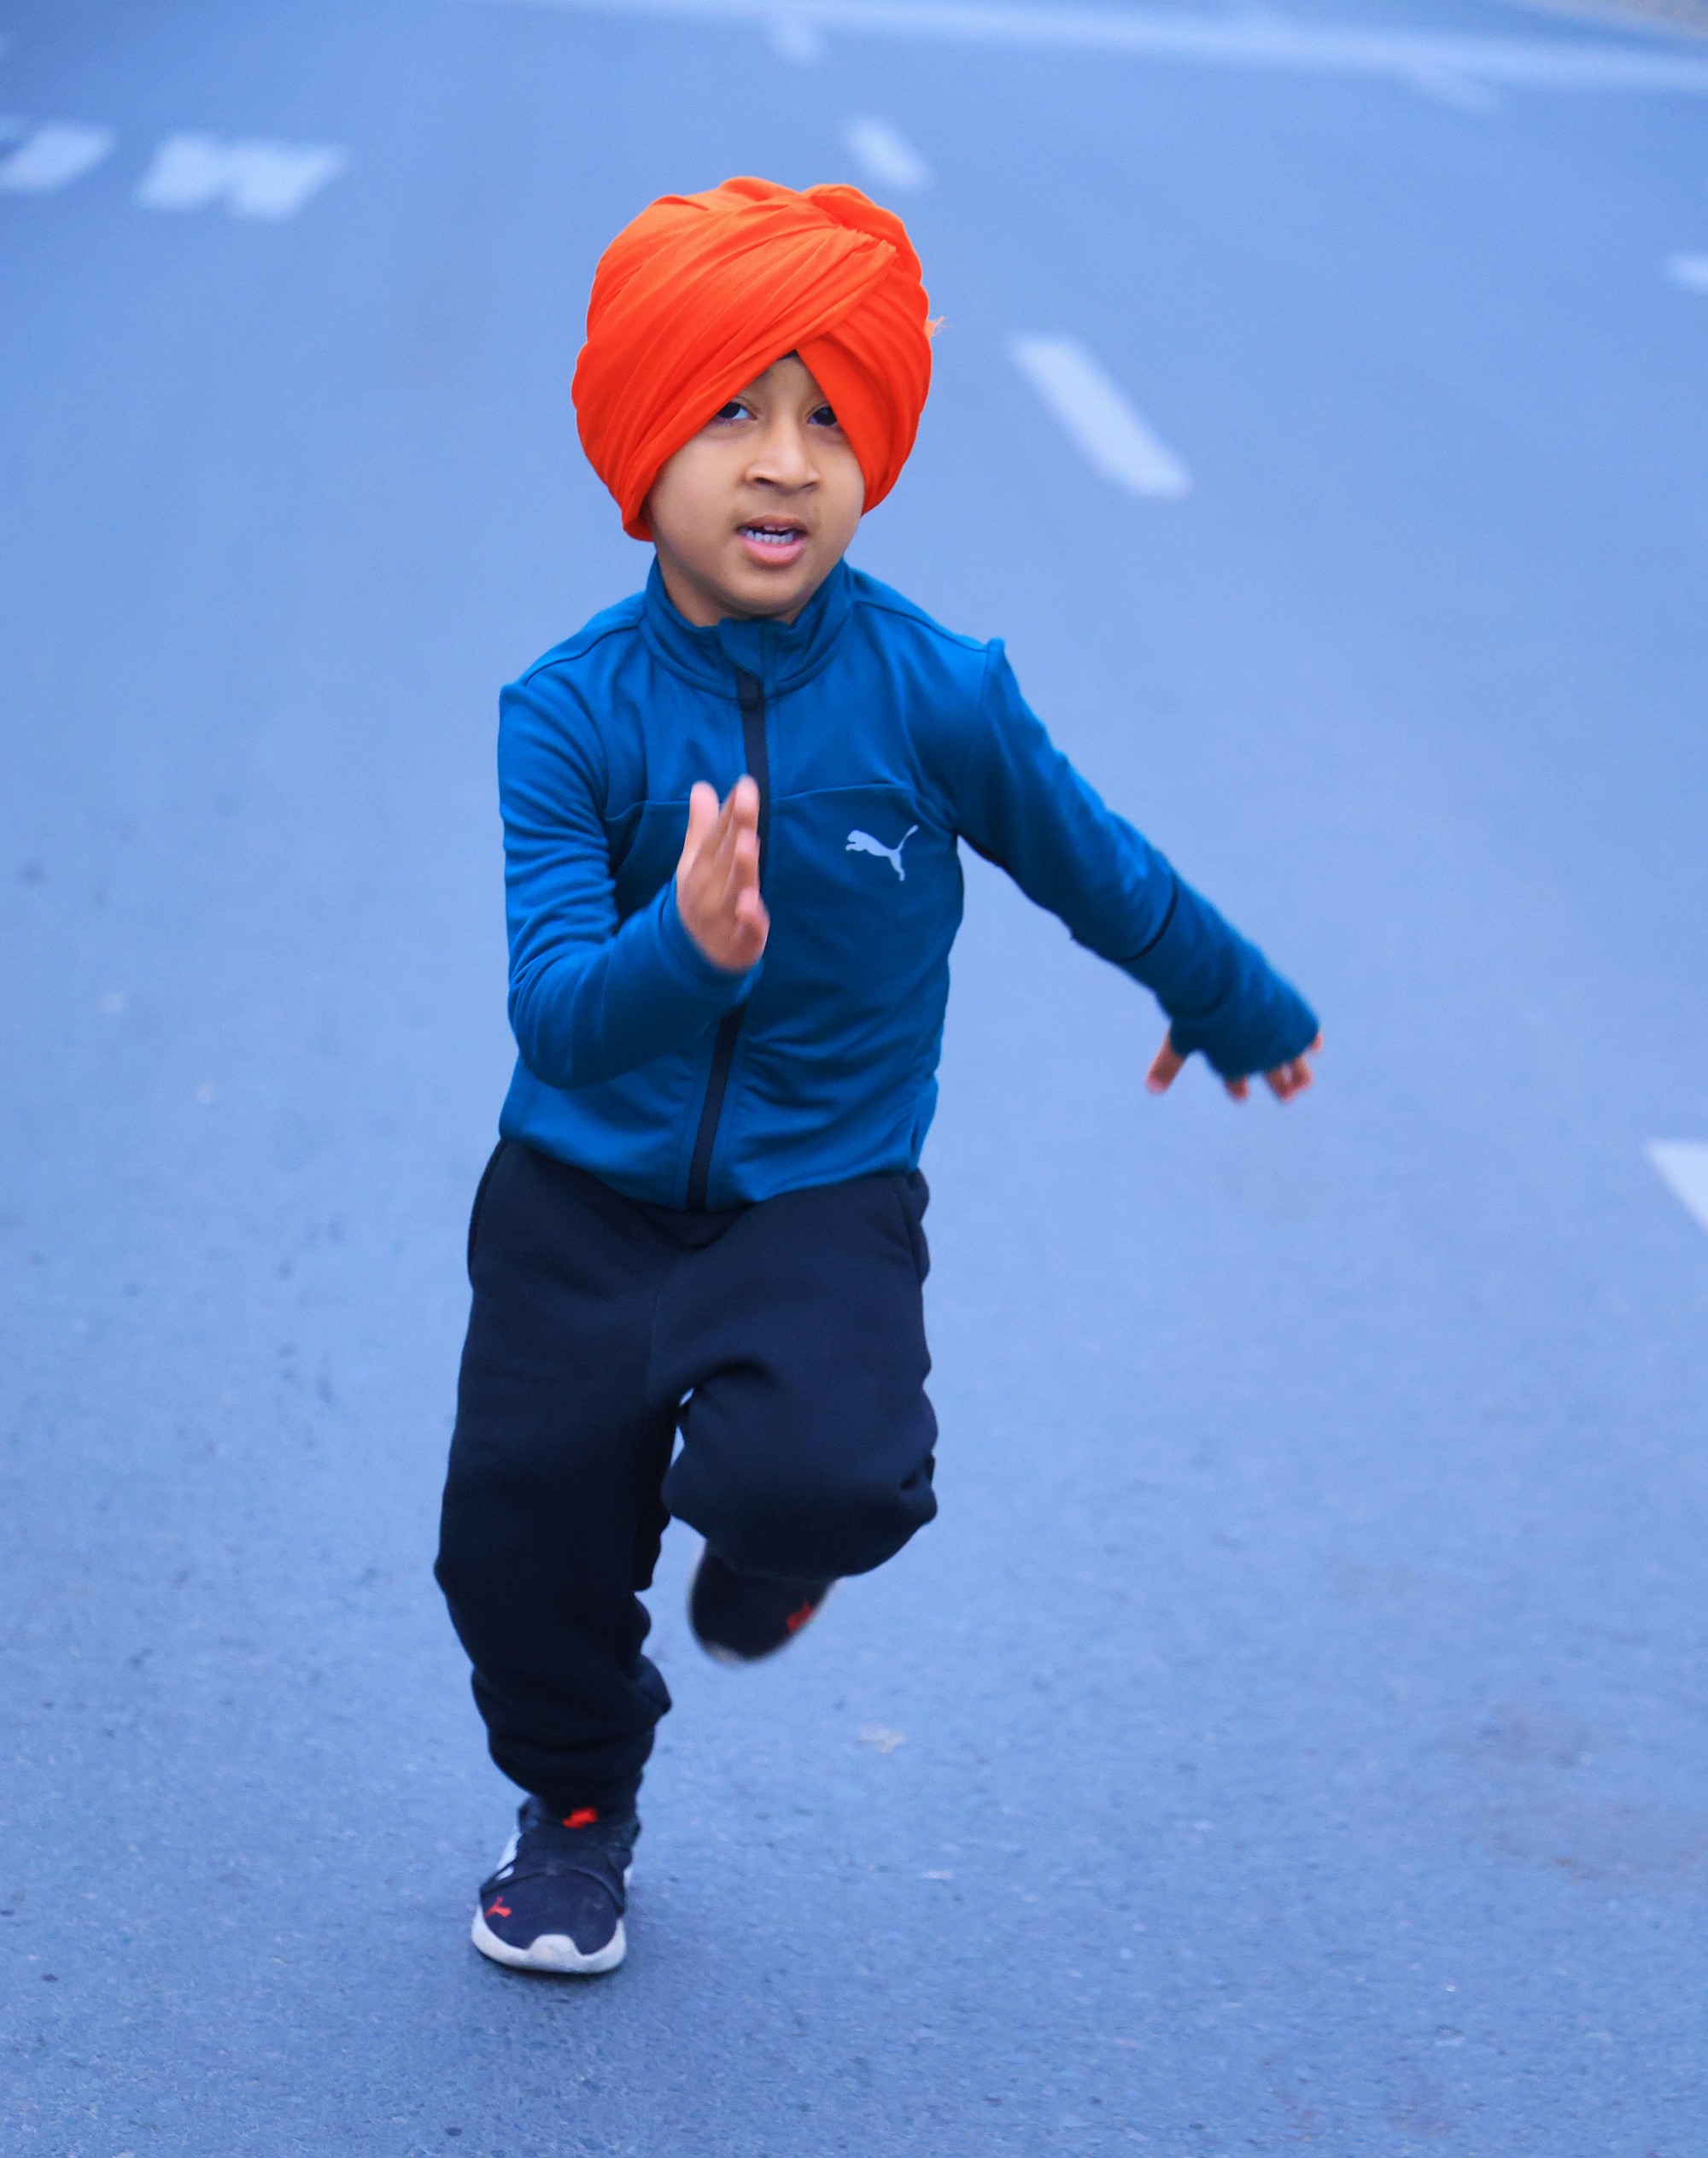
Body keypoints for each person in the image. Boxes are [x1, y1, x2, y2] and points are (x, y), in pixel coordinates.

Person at [436, 177, 1320, 1976]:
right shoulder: (567, 710)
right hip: (576, 1198)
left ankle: (772, 1552)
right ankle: (580, 1810)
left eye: (829, 418)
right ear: (642, 446)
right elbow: (559, 1018)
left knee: (835, 1477)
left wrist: (1232, 1000)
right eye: (731, 411)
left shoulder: (936, 693)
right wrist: (689, 950)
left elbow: (1097, 866)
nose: (786, 462)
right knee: (513, 1551)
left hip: (820, 1190)